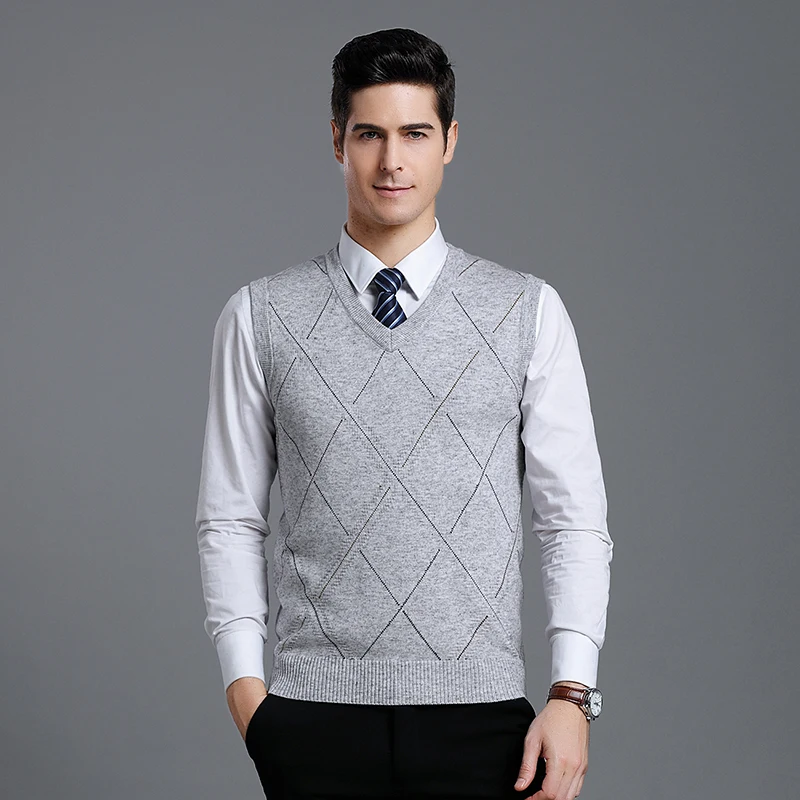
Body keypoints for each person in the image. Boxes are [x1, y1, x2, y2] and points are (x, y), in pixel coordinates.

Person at [195, 27, 613, 800]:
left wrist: (571, 693)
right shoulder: (260, 316)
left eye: (416, 133)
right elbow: (229, 521)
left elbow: (573, 520)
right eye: (370, 134)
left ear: (449, 141)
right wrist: (249, 700)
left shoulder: (526, 312)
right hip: (313, 723)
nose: (393, 161)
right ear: (337, 140)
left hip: (483, 724)